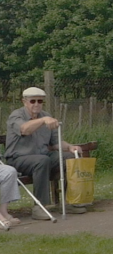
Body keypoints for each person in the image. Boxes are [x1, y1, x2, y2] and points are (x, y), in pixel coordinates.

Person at [4, 87, 87, 219]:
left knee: (69, 158)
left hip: (42, 156)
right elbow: (24, 129)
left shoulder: (46, 116)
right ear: (24, 101)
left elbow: (55, 143)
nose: (36, 104)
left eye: (40, 101)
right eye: (33, 101)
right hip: (18, 159)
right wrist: (42, 121)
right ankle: (40, 206)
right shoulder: (17, 115)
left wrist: (70, 147)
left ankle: (69, 201)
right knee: (42, 161)